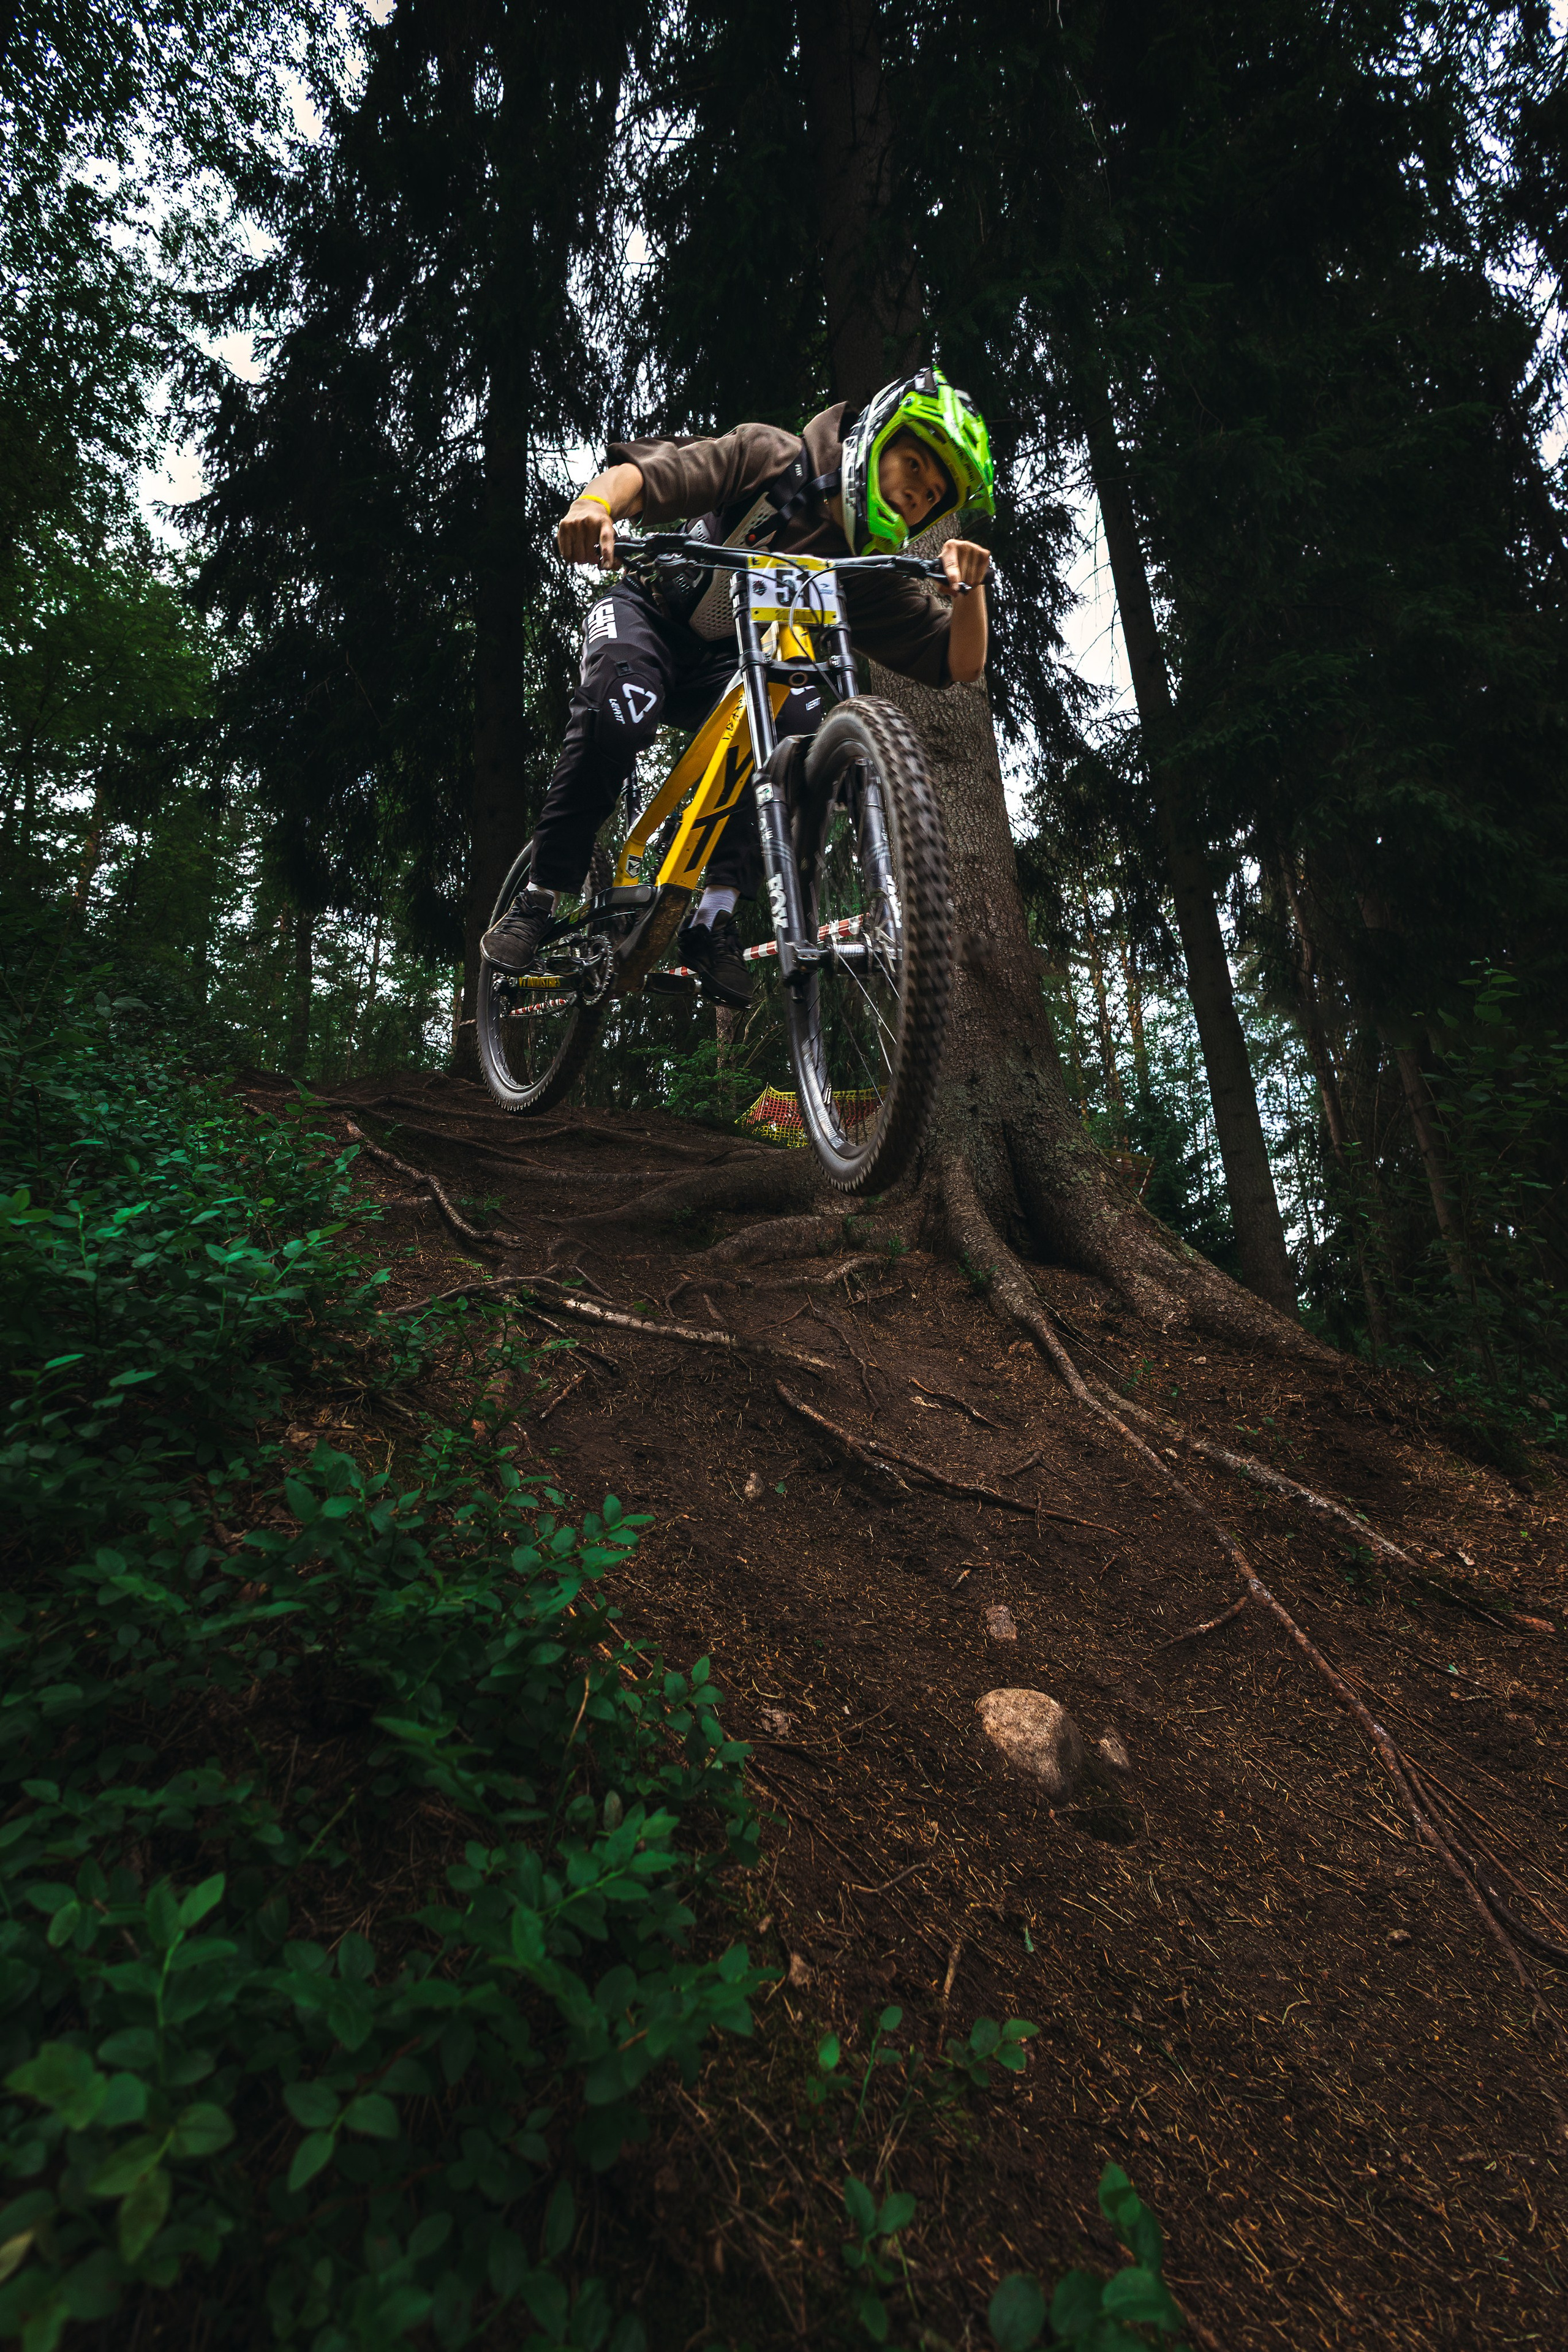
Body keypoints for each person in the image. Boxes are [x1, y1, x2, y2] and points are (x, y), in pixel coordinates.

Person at [481, 366, 995, 1007]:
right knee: (618, 714)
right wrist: (594, 505)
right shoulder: (771, 457)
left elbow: (958, 661)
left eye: (934, 494)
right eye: (914, 466)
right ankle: (540, 897)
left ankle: (711, 920)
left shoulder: (865, 574)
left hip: (732, 665)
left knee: (796, 727)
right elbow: (649, 476)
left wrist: (970, 591)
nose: (918, 495)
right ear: (876, 439)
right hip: (650, 619)